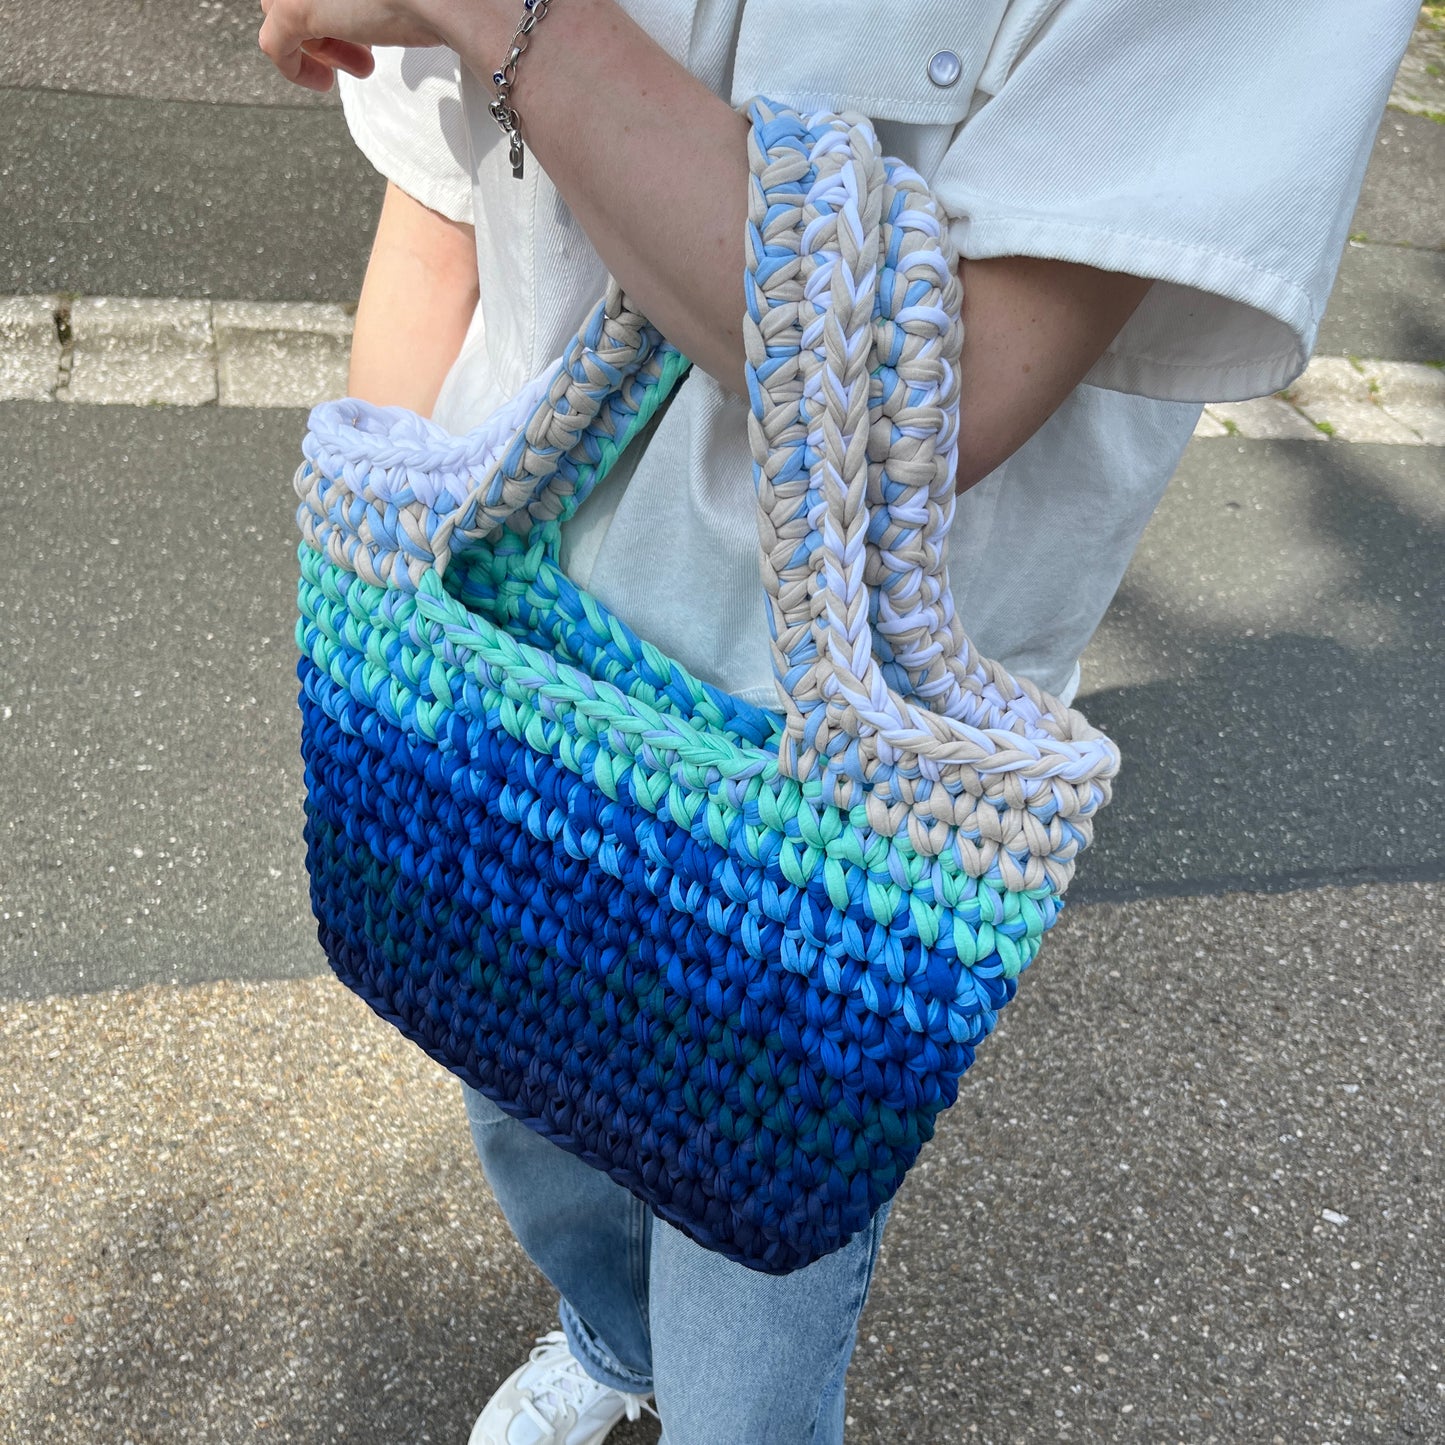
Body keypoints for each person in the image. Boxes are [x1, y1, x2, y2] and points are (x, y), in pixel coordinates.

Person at [260, 1, 1419, 1440]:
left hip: (823, 775)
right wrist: (379, 609)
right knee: (520, 1105)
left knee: (748, 1293)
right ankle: (614, 1341)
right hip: (501, 657)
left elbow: (927, 403)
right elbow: (440, 198)